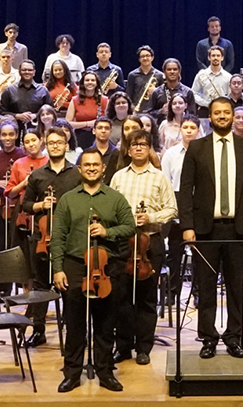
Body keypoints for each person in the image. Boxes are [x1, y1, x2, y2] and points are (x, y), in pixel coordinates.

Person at [178, 97, 243, 358]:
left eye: (226, 112)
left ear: (233, 115)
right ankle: (208, 338)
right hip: (206, 229)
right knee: (205, 287)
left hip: (239, 229)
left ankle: (234, 337)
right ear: (210, 116)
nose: (222, 116)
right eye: (217, 112)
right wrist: (187, 225)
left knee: (235, 287)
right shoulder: (196, 148)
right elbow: (185, 191)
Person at [51, 149, 135, 391]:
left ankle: (105, 372)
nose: (91, 168)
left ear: (103, 168)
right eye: (86, 165)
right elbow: (58, 236)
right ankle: (72, 373)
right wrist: (58, 269)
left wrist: (108, 232)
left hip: (107, 267)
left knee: (105, 324)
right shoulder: (67, 199)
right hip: (75, 265)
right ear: (79, 169)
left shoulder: (115, 198)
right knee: (75, 324)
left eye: (95, 165)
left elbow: (130, 227)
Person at [108, 131, 176, 365]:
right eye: (134, 145)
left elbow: (172, 209)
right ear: (127, 150)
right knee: (122, 295)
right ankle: (123, 345)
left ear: (150, 149)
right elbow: (110, 207)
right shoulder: (118, 177)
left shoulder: (159, 177)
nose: (138, 149)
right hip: (123, 242)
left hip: (150, 242)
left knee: (147, 297)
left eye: (143, 145)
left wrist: (151, 216)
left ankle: (144, 347)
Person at [24, 126, 83, 345]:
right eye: (51, 143)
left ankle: (73, 335)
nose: (55, 146)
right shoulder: (37, 175)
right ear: (45, 146)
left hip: (70, 239)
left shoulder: (77, 173)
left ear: (66, 146)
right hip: (43, 239)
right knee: (40, 286)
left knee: (69, 287)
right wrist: (41, 204)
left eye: (59, 142)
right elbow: (26, 205)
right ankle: (38, 331)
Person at [160, 116, 200, 308]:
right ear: (181, 130)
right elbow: (166, 183)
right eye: (186, 127)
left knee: (200, 253)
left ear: (199, 130)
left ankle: (199, 292)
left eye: (193, 127)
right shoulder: (170, 154)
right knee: (174, 253)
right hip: (176, 205)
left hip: (198, 206)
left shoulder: (204, 152)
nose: (189, 131)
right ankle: (171, 292)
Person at [4, 60, 52, 125]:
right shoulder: (9, 90)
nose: (27, 72)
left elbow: (51, 110)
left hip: (39, 128)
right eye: (24, 70)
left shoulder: (43, 90)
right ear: (19, 72)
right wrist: (16, 116)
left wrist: (36, 115)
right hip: (14, 128)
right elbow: (2, 112)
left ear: (34, 72)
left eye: (30, 70)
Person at [67, 71, 106, 148]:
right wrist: (88, 123)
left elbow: (109, 121)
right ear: (83, 83)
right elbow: (68, 123)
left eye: (93, 80)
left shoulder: (104, 100)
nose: (90, 82)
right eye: (87, 80)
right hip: (79, 136)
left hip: (99, 136)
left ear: (97, 83)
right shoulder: (75, 100)